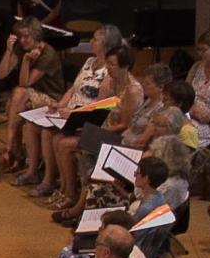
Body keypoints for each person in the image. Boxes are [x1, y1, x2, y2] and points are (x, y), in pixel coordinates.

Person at [17, 24, 121, 195]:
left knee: (48, 133)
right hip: (68, 111)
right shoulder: (89, 61)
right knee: (30, 125)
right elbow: (73, 88)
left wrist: (73, 113)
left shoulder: (108, 72)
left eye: (95, 39)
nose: (91, 41)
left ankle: (50, 181)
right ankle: (32, 171)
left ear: (106, 44)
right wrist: (61, 104)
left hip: (83, 117)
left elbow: (100, 105)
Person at [47, 45, 141, 220]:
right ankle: (66, 190)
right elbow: (101, 108)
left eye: (113, 65)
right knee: (60, 137)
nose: (109, 68)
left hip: (120, 137)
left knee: (67, 145)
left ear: (125, 66)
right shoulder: (112, 82)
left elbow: (124, 124)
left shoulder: (132, 90)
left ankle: (72, 197)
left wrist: (96, 131)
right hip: (104, 129)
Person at [0, 20, 66, 171]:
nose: (22, 40)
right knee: (14, 105)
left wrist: (26, 61)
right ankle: (15, 153)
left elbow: (25, 83)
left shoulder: (47, 53)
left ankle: (11, 149)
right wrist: (8, 51)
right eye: (20, 36)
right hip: (30, 95)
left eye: (26, 36)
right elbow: (1, 74)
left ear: (36, 36)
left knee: (18, 94)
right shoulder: (22, 48)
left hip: (51, 97)